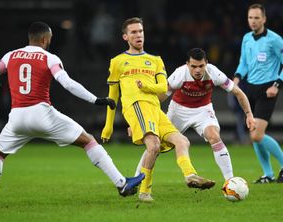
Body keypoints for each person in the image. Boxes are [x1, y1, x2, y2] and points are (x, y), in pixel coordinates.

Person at [0, 21, 145, 211]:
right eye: (49, 38)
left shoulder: (10, 56)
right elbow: (68, 83)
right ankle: (122, 184)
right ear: (44, 39)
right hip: (42, 114)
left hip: (16, 118)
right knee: (88, 141)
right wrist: (96, 100)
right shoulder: (49, 58)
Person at [101, 17, 215, 202]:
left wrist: (147, 88)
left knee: (182, 141)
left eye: (141, 31)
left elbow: (163, 87)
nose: (138, 35)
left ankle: (190, 175)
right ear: (125, 37)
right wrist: (109, 125)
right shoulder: (118, 61)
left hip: (154, 107)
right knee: (153, 145)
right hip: (136, 105)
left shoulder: (155, 60)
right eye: (134, 32)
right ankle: (145, 192)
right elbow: (112, 95)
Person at [135, 48, 256, 183]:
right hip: (178, 111)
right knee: (156, 144)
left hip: (203, 110)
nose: (197, 70)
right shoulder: (179, 74)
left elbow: (238, 93)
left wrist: (249, 114)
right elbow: (158, 99)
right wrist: (146, 118)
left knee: (214, 136)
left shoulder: (214, 73)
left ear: (206, 63)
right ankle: (137, 177)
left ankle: (230, 181)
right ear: (187, 64)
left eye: (201, 66)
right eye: (193, 66)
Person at [234, 3, 283, 183]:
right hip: (250, 90)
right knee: (255, 136)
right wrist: (237, 78)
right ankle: (268, 175)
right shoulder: (246, 38)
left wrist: (277, 85)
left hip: (267, 90)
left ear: (264, 19)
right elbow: (244, 63)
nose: (253, 21)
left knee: (256, 134)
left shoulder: (274, 39)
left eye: (256, 18)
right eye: (250, 18)